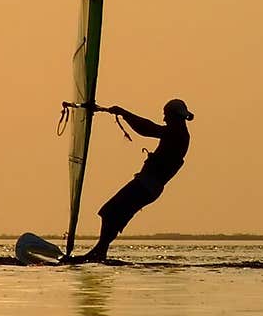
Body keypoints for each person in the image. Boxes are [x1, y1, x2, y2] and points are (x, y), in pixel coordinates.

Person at [68, 98, 194, 263]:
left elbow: (147, 128)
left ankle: (99, 251)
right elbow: (150, 128)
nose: (164, 119)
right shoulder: (176, 132)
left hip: (147, 185)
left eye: (166, 115)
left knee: (110, 211)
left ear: (175, 116)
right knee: (113, 214)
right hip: (148, 185)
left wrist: (124, 113)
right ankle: (100, 251)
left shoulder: (177, 134)